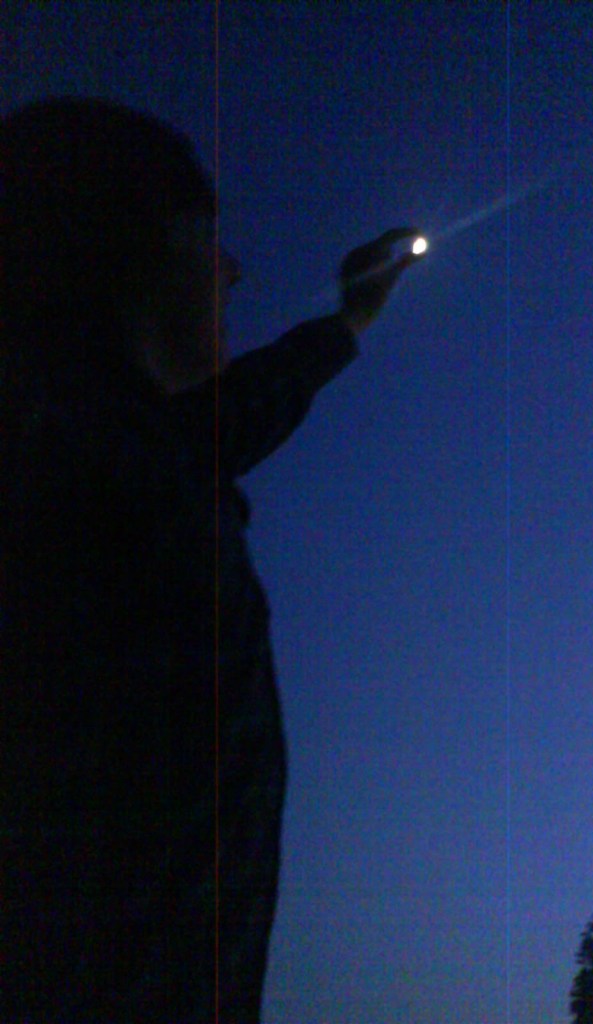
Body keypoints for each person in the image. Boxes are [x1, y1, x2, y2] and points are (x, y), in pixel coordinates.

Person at [0, 95, 422, 1023]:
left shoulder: (125, 445)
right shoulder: (53, 452)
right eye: (210, 241)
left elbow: (242, 411)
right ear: (134, 242)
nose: (233, 271)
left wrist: (351, 320)